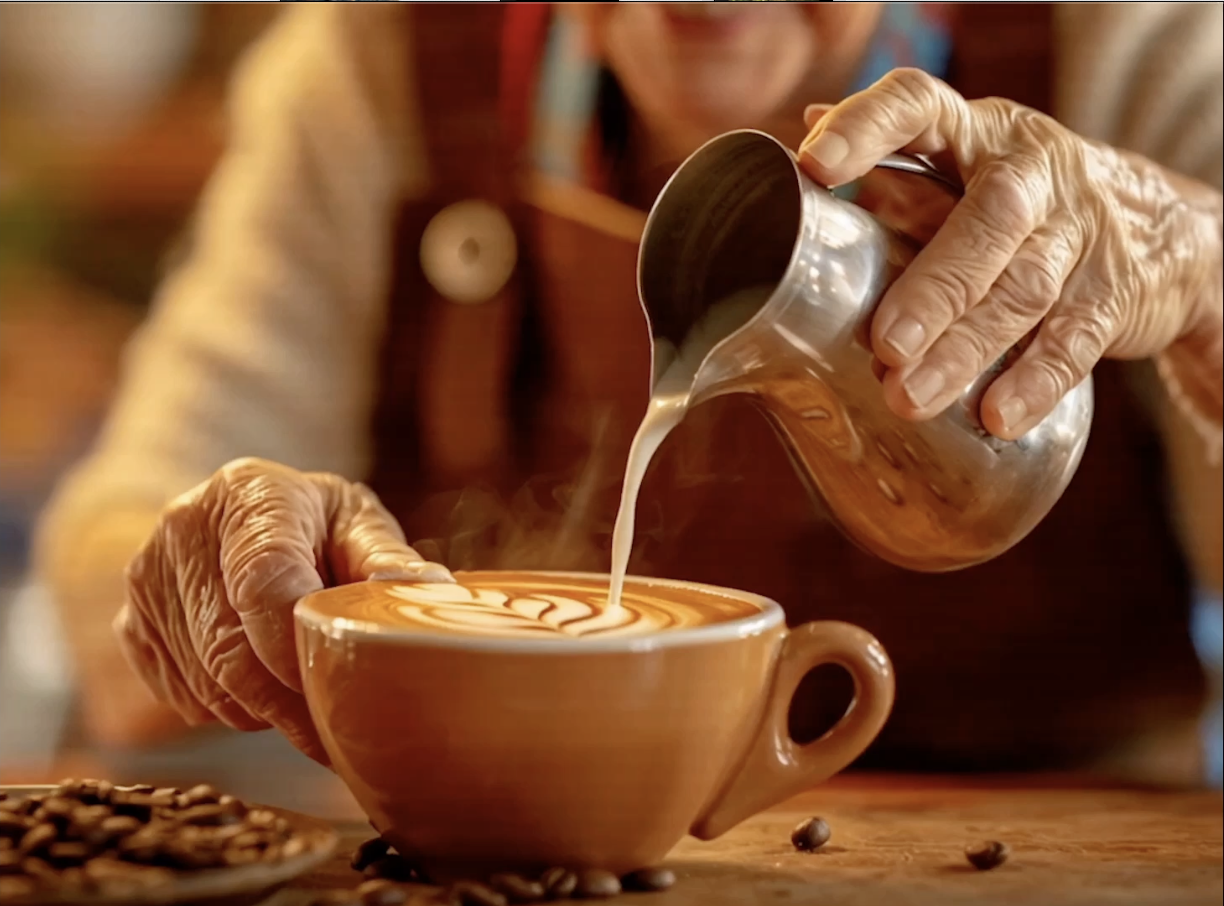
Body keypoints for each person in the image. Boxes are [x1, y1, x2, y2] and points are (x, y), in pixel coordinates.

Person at [34, 3, 1222, 778]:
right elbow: (127, 549)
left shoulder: (1132, 44)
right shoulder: (376, 68)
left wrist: (1206, 278)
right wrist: (209, 564)